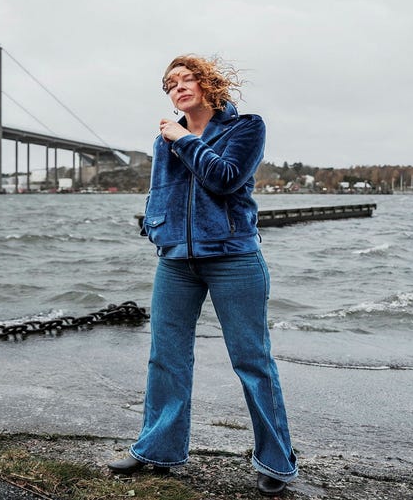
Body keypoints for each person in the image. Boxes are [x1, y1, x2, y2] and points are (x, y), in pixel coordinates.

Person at [108, 55, 298, 496]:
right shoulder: (165, 140)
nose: (177, 89)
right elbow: (163, 192)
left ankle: (275, 460)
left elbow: (226, 179)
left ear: (207, 83)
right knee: (166, 357)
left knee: (252, 360)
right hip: (175, 261)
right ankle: (157, 450)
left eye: (185, 79)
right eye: (169, 84)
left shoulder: (246, 127)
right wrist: (156, 229)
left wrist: (182, 140)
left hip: (233, 256)